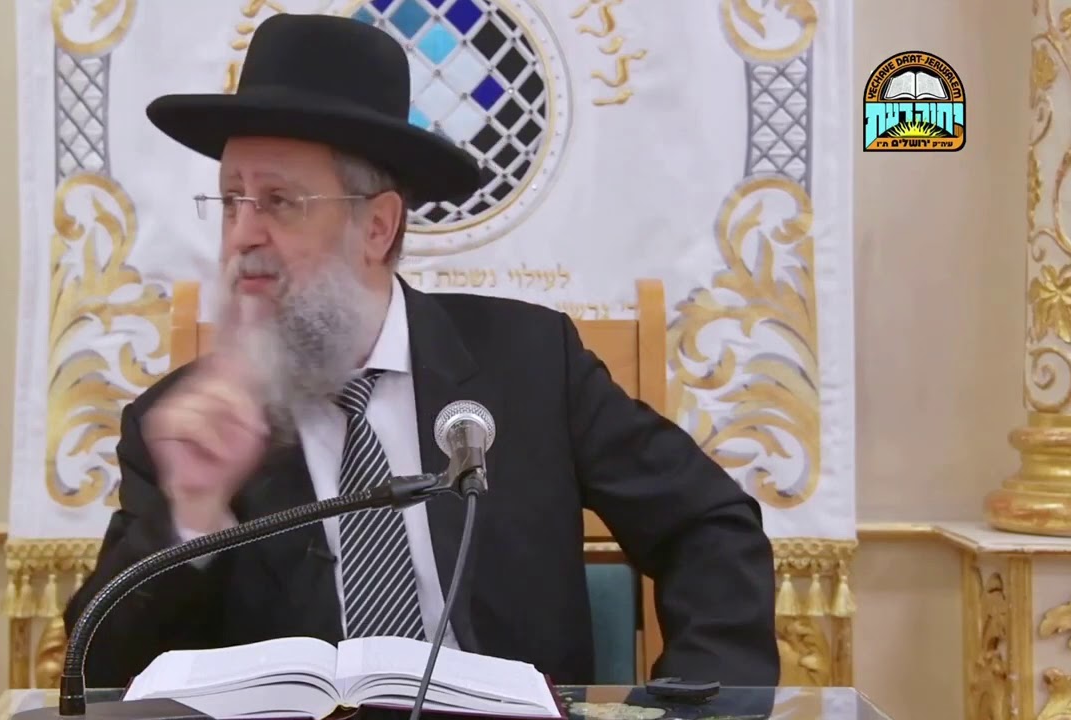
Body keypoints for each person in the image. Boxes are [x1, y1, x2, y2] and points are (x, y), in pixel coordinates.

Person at [65, 12, 779, 690]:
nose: (242, 234)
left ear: (378, 227)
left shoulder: (531, 363)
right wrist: (192, 514)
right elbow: (95, 670)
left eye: (279, 201)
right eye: (230, 201)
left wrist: (696, 706)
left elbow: (710, 527)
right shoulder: (180, 423)